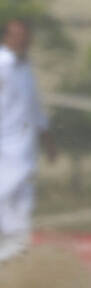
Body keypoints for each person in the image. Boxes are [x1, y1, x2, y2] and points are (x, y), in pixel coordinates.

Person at [0, 18, 56, 239]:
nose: (23, 39)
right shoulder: (2, 64)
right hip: (4, 146)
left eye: (25, 34)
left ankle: (16, 256)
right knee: (5, 196)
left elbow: (33, 106)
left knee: (23, 201)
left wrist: (48, 140)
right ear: (6, 38)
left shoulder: (25, 67)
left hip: (25, 147)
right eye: (17, 35)